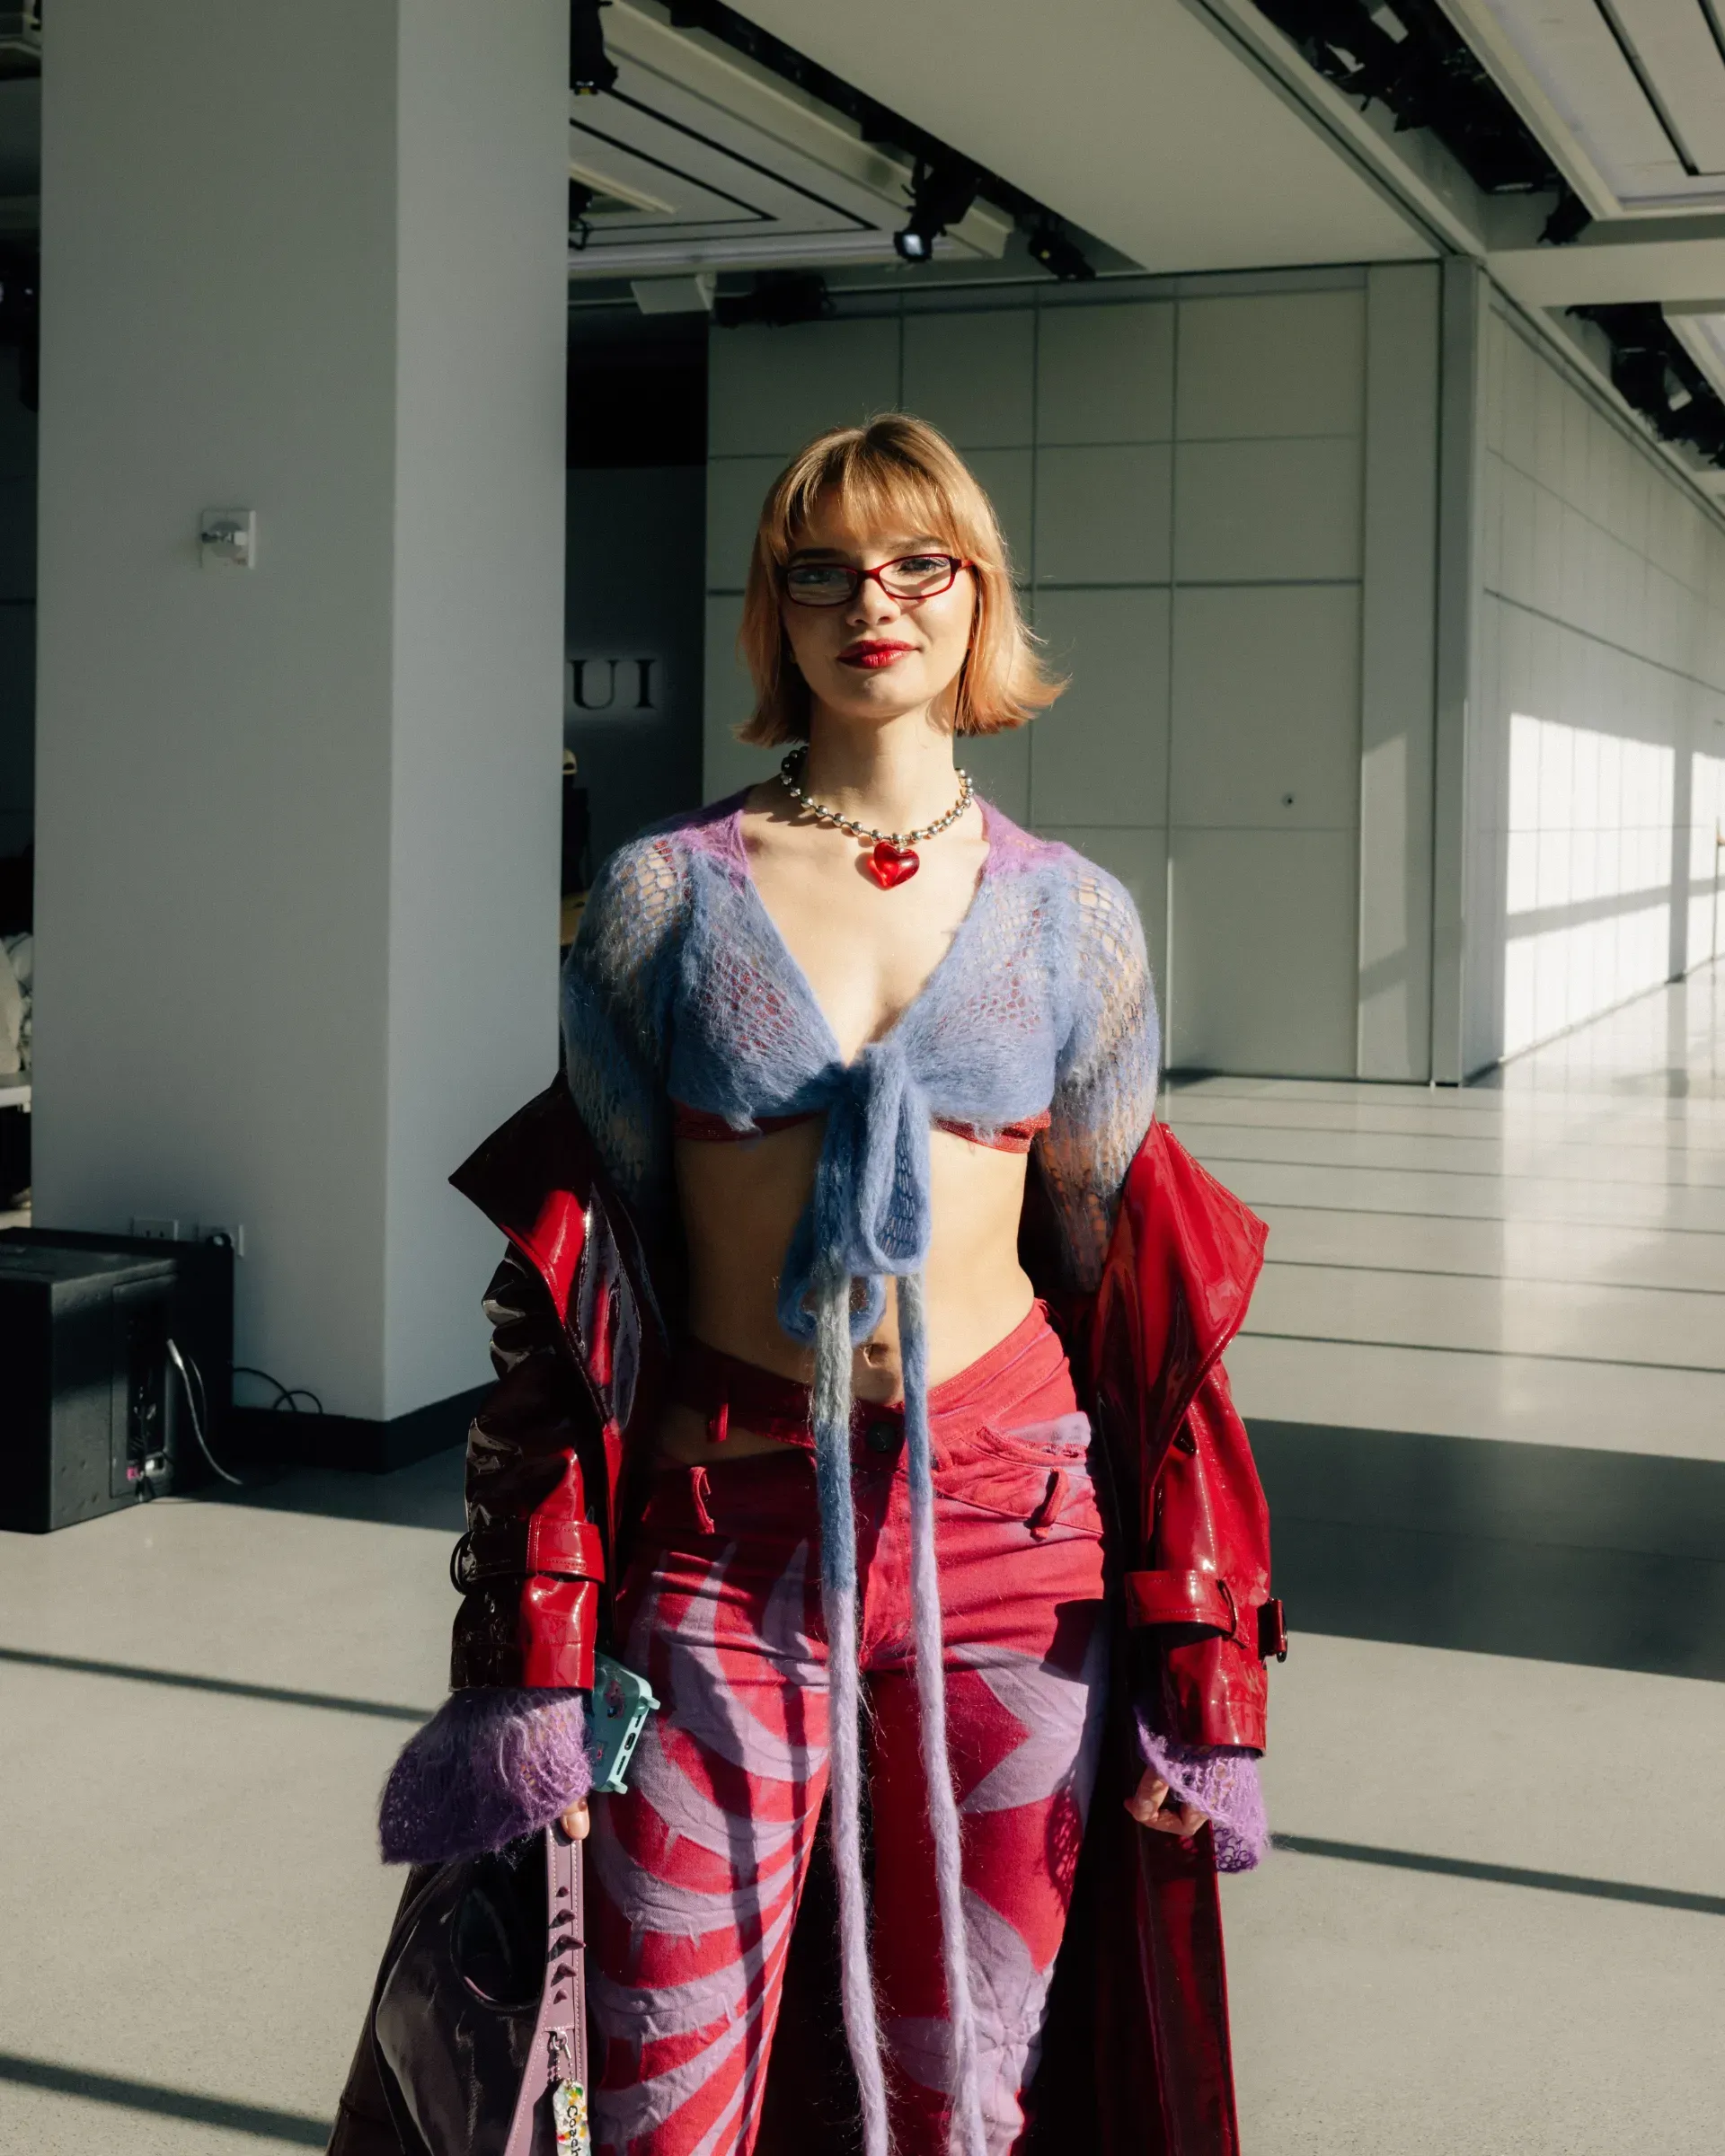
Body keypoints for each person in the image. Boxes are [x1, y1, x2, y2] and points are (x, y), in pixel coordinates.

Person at [333, 413, 1280, 2156]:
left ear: (979, 595)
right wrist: (534, 1646)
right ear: (774, 610)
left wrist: (1201, 1652)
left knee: (965, 2085)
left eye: (920, 564)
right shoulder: (658, 900)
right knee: (661, 2087)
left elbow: (1133, 1309)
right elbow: (581, 1299)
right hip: (723, 1539)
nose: (874, 604)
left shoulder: (1076, 920)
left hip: (1015, 1542)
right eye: (824, 571)